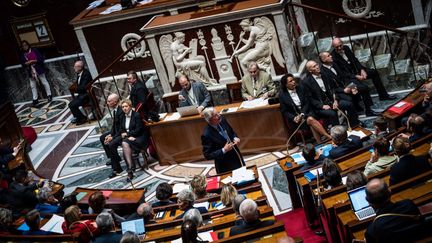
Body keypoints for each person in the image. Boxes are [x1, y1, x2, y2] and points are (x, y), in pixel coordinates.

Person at [331, 37, 396, 101]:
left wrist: (362, 69)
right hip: (349, 77)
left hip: (356, 70)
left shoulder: (346, 48)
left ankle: (383, 95)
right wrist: (356, 76)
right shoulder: (333, 57)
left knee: (374, 72)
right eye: (337, 47)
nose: (339, 48)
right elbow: (342, 73)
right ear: (334, 47)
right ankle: (367, 109)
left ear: (342, 43)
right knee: (363, 87)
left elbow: (355, 60)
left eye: (340, 46)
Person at [319, 51, 378, 117]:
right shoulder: (323, 72)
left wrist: (351, 85)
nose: (331, 56)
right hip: (339, 91)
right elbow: (331, 88)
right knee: (349, 100)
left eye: (330, 55)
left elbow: (343, 76)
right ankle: (355, 118)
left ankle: (368, 111)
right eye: (328, 56)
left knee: (364, 87)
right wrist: (343, 90)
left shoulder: (334, 64)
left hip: (346, 85)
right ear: (323, 59)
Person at [279, 73, 331, 144]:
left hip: (307, 113)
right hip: (296, 120)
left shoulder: (300, 88)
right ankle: (326, 139)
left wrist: (302, 113)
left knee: (310, 119)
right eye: (290, 81)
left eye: (293, 80)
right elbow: (284, 111)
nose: (294, 82)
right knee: (310, 121)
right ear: (286, 85)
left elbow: (307, 103)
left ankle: (324, 139)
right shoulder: (282, 95)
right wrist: (294, 118)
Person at [201, 107, 244, 174]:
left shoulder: (222, 120)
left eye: (218, 113)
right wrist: (223, 150)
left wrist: (235, 137)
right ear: (210, 119)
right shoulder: (206, 135)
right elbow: (208, 155)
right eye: (216, 115)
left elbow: (231, 132)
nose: (219, 115)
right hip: (225, 165)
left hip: (236, 156)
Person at [117, 99, 149, 180]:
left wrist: (128, 134)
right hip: (129, 138)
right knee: (125, 144)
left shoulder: (136, 115)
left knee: (125, 144)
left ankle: (130, 170)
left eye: (126, 106)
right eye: (123, 107)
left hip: (140, 137)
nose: (124, 108)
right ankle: (130, 169)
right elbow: (121, 129)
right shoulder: (122, 117)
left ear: (130, 107)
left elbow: (139, 129)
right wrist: (127, 136)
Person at [302, 60, 339, 128]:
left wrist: (335, 100)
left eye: (317, 65)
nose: (317, 67)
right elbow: (310, 99)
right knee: (332, 113)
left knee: (347, 104)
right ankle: (337, 133)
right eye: (314, 66)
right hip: (319, 106)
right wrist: (322, 106)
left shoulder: (325, 74)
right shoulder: (306, 82)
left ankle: (354, 126)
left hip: (332, 101)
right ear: (310, 71)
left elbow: (333, 89)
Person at [19, 40, 52, 106]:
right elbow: (22, 64)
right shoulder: (22, 54)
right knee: (33, 85)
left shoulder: (34, 50)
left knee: (44, 82)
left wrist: (34, 61)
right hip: (30, 71)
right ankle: (35, 99)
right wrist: (26, 63)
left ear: (28, 45)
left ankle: (49, 95)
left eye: (26, 45)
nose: (25, 47)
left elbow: (41, 59)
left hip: (38, 69)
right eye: (23, 46)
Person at [99, 94, 124, 178]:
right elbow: (114, 125)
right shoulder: (115, 110)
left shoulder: (121, 111)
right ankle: (113, 158)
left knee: (111, 144)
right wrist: (110, 134)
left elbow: (122, 128)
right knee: (102, 137)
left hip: (123, 133)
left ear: (115, 102)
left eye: (109, 101)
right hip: (117, 132)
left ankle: (117, 168)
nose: (107, 103)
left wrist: (112, 137)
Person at [69, 60, 93, 125]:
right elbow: (78, 84)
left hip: (86, 96)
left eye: (75, 67)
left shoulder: (86, 74)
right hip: (82, 95)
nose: (74, 68)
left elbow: (83, 87)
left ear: (79, 67)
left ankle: (82, 118)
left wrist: (76, 89)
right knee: (71, 104)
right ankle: (79, 117)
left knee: (72, 105)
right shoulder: (79, 73)